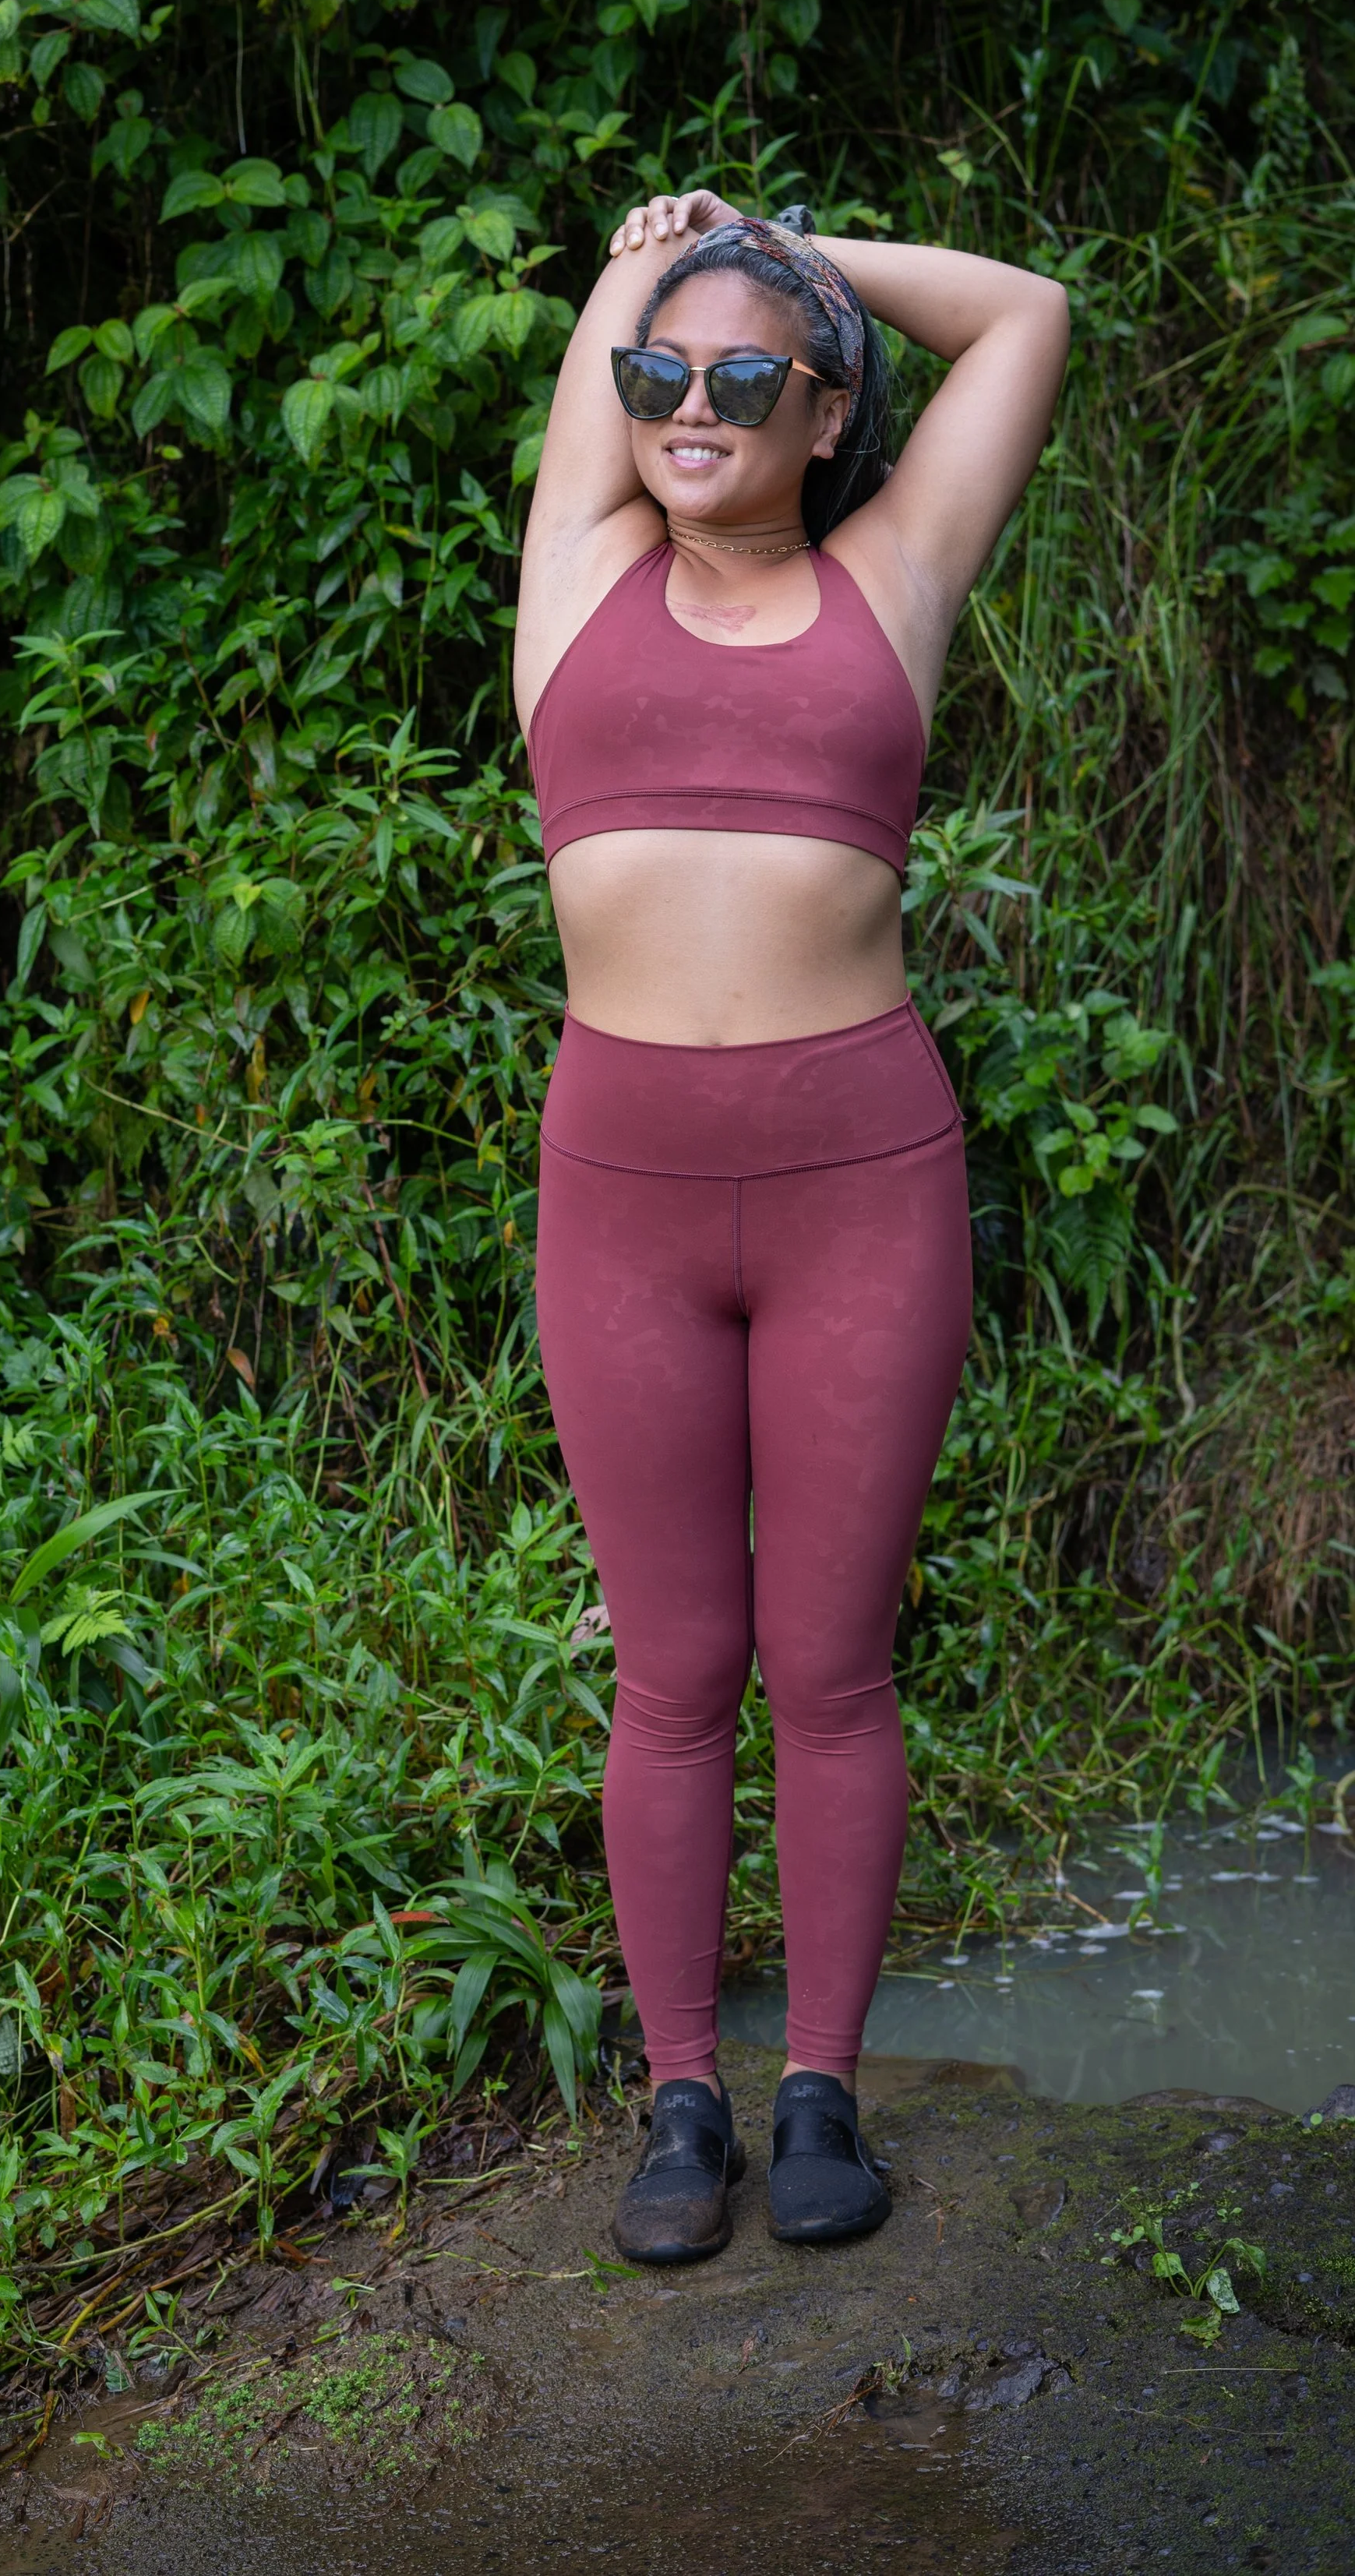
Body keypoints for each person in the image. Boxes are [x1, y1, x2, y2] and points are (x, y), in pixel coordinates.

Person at [515, 185, 1068, 2259]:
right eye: (656, 371)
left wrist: (779, 239)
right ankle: (680, 2100)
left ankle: (820, 2086)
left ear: (825, 407)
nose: (682, 400)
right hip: (623, 1194)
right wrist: (647, 271)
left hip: (859, 1183)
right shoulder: (572, 573)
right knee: (675, 1666)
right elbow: (613, 352)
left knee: (827, 1666)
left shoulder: (892, 571)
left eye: (740, 374)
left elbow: (1021, 314)